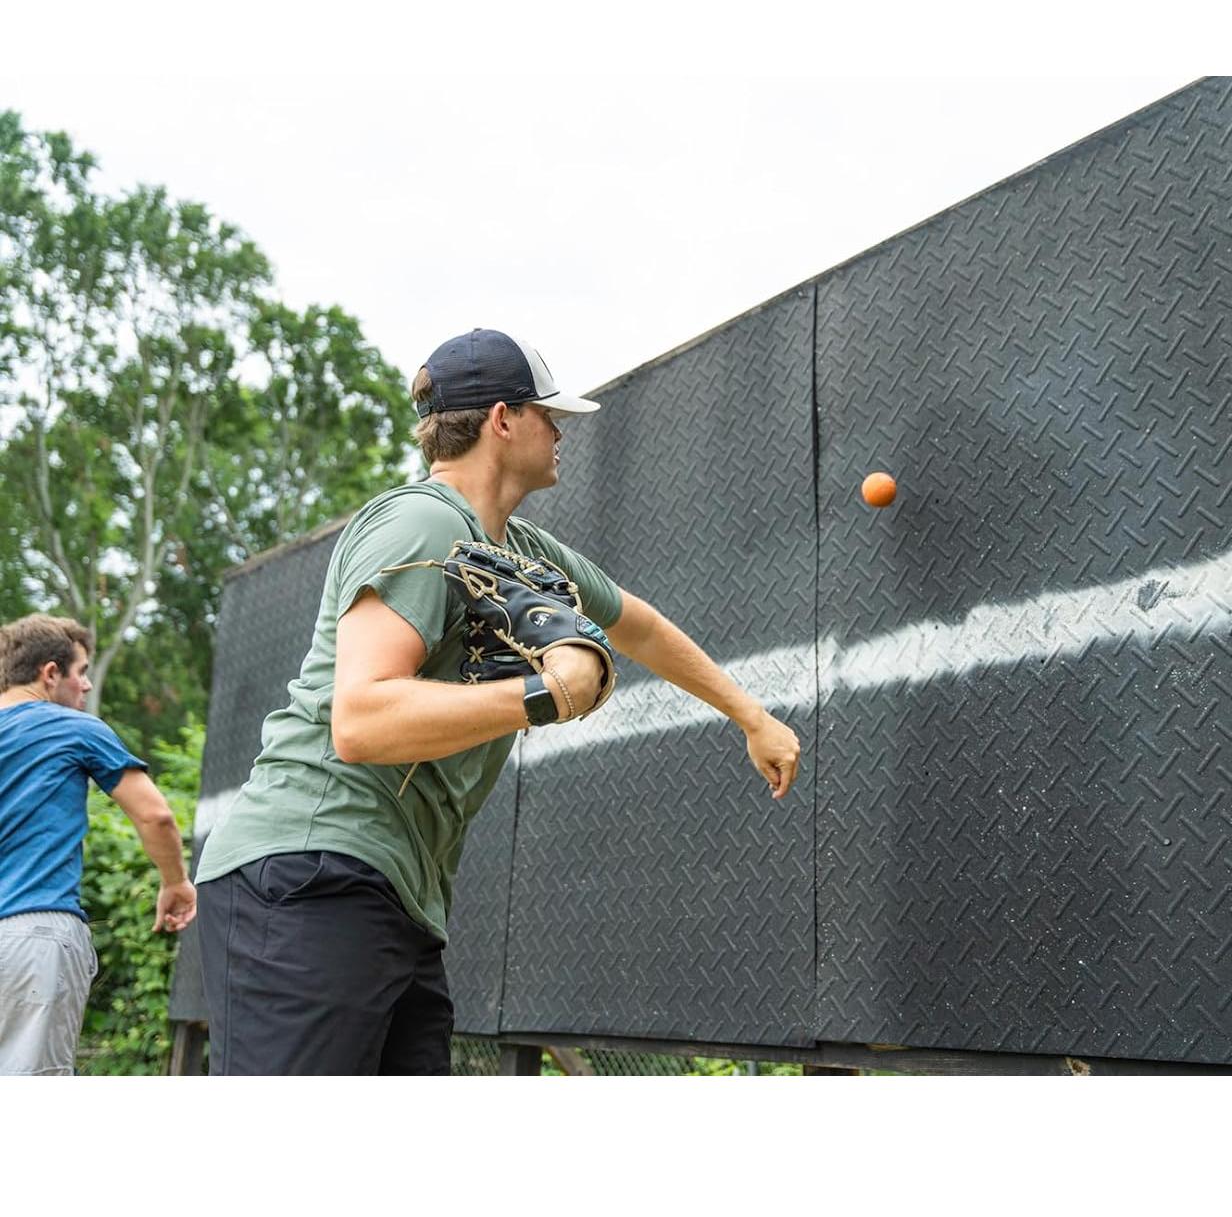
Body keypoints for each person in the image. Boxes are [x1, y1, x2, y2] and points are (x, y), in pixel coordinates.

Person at [194, 328, 801, 1076]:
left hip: (394, 896)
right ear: (502, 419)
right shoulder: (420, 521)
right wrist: (546, 696)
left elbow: (636, 625)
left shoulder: (525, 553)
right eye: (549, 414)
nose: (561, 431)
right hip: (308, 874)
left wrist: (751, 715)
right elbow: (359, 719)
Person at [0, 615, 197, 1076]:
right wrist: (176, 882)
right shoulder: (74, 729)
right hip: (35, 933)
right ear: (50, 674)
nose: (86, 686)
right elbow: (156, 815)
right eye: (81, 671)